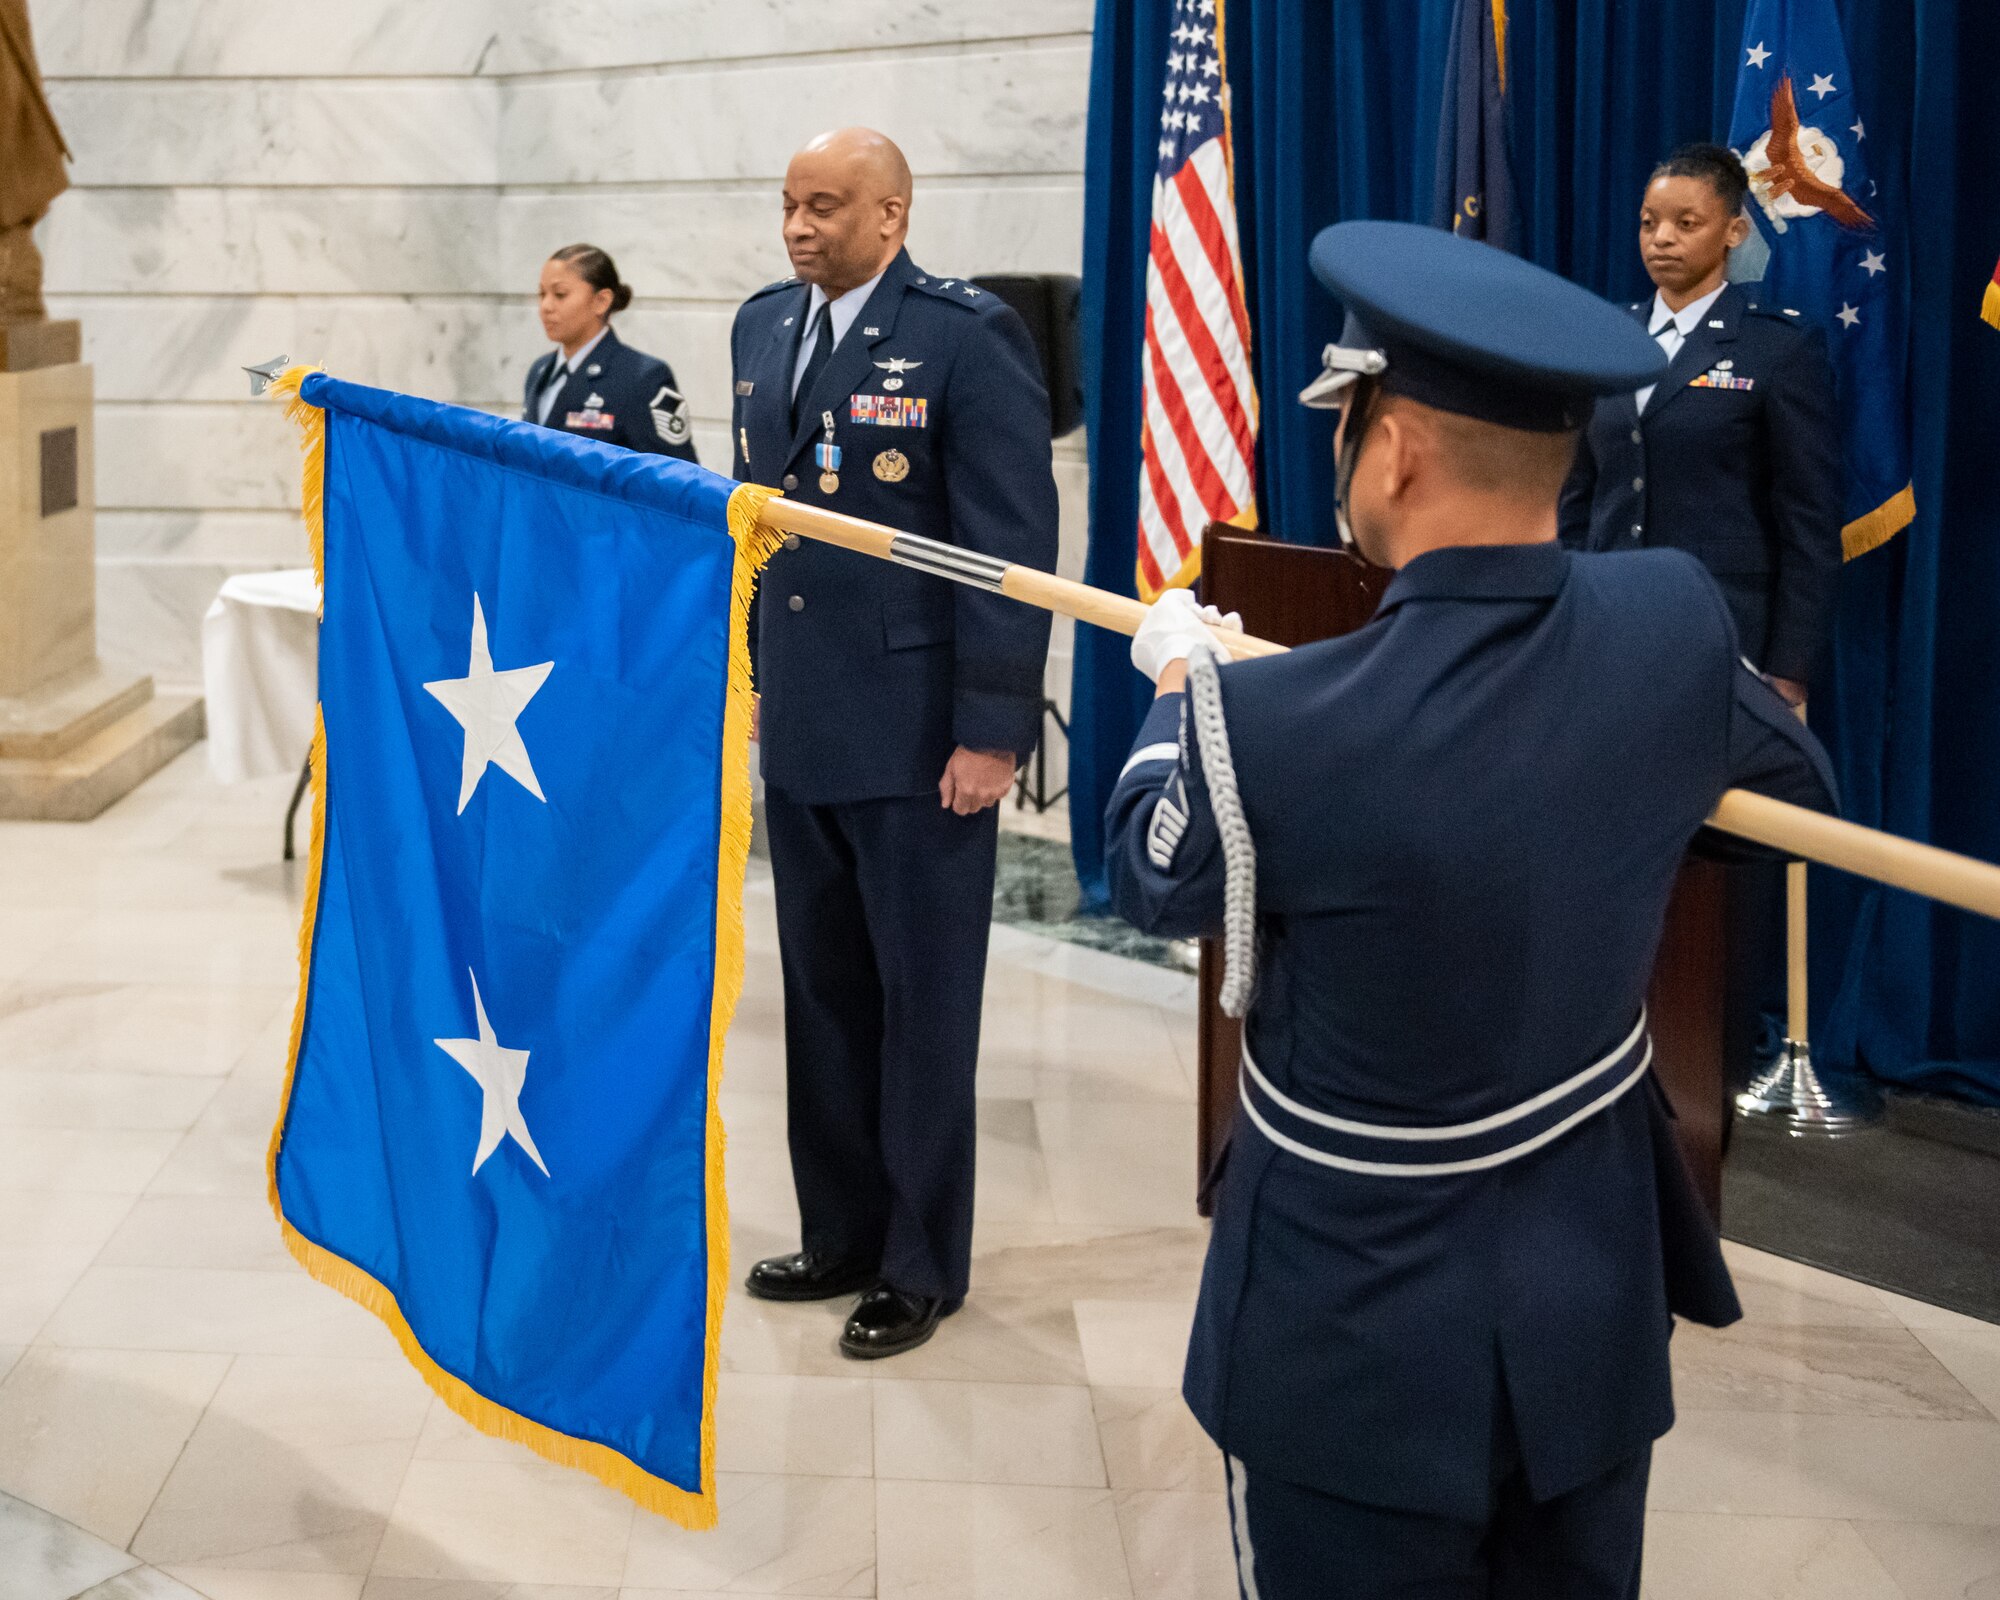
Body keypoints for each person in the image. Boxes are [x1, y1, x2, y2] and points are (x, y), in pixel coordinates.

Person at [1106, 221, 1837, 1598]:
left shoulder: (1267, 722)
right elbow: (1797, 790)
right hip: (1591, 1311)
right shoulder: (1670, 620)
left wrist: (1173, 688)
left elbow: (1155, 876)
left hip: (1352, 1343)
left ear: (1393, 451)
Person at [732, 128, 1058, 1358]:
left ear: (892, 212)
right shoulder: (761, 328)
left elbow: (1009, 548)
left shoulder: (963, 337)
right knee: (822, 998)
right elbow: (759, 530)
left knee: (923, 1007)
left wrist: (991, 729)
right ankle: (840, 1230)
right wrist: (751, 678)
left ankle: (920, 1261)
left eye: (824, 205)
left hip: (922, 741)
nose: (799, 226)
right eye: (787, 202)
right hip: (804, 727)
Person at [1558, 143, 1842, 705]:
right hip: (1605, 626)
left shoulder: (1776, 347)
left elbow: (1808, 520)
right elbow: (1577, 499)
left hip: (1723, 634)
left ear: (1734, 233)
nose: (1661, 238)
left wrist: (1790, 664)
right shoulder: (1605, 338)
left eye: (1686, 224)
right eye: (1649, 223)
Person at [523, 244, 697, 463]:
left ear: (601, 301)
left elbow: (677, 475)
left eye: (560, 294)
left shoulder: (642, 377)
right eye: (542, 294)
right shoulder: (539, 371)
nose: (546, 306)